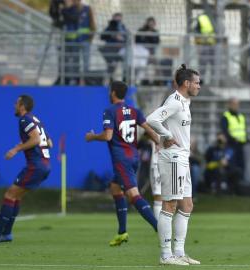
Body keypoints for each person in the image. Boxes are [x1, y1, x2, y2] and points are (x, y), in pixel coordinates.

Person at [85, 81, 160, 247]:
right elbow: (148, 128)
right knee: (115, 187)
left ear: (112, 93)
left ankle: (159, 228)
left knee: (134, 195)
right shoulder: (134, 110)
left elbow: (107, 136)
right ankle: (122, 232)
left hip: (121, 159)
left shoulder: (110, 111)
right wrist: (158, 143)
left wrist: (92, 137)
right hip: (133, 156)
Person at [0, 95, 52, 243]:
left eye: (16, 103)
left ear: (22, 106)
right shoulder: (36, 120)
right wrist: (27, 143)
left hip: (36, 165)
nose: (14, 105)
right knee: (16, 197)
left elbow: (36, 139)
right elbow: (49, 143)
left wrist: (17, 148)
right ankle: (7, 234)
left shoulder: (25, 119)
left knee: (9, 195)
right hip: (44, 165)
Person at [146, 64, 201, 265]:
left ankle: (179, 252)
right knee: (170, 204)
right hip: (173, 158)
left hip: (183, 158)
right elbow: (151, 119)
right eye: (196, 83)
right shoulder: (175, 102)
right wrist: (166, 136)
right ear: (186, 83)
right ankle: (166, 255)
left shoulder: (185, 102)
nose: (199, 86)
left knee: (187, 205)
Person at [62, 0, 96, 85]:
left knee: (86, 62)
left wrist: (91, 37)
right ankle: (76, 80)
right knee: (75, 62)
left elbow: (92, 23)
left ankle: (86, 80)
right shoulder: (69, 10)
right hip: (74, 41)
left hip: (85, 40)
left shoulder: (87, 9)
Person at [220, 98, 246, 174]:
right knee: (231, 166)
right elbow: (225, 131)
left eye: (237, 104)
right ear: (229, 105)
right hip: (230, 145)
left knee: (241, 166)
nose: (236, 106)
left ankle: (239, 183)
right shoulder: (226, 116)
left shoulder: (241, 116)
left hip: (240, 145)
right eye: (234, 104)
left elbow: (243, 130)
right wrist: (233, 139)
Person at [100, 13, 128, 80]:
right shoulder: (110, 27)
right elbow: (102, 36)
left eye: (119, 18)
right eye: (116, 18)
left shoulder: (123, 27)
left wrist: (123, 38)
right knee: (112, 64)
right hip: (111, 49)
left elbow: (127, 38)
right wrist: (113, 36)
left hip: (121, 49)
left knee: (125, 63)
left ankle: (124, 78)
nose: (118, 20)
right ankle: (109, 79)